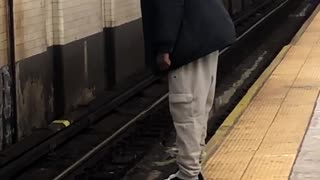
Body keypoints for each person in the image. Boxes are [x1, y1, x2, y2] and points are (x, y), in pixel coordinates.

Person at [140, 0, 236, 179]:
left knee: (187, 107)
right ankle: (193, 168)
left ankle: (188, 174)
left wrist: (164, 47)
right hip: (201, 32)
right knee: (198, 106)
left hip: (187, 39)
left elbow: (168, 4)